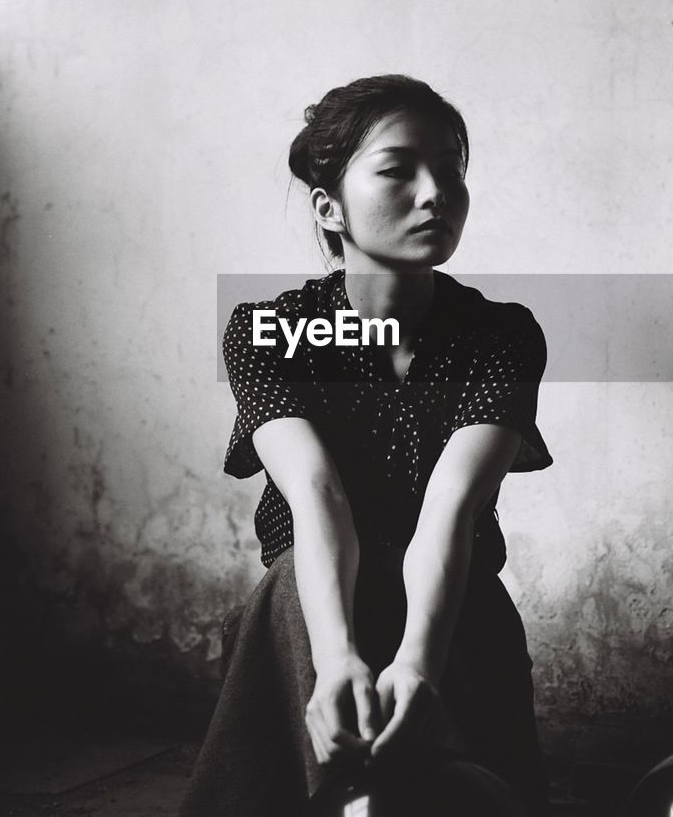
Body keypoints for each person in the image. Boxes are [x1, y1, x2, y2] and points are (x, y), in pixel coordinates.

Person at [178, 75, 553, 816]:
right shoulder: (265, 331)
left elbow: (450, 507)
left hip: (452, 604)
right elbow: (317, 497)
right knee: (298, 585)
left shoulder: (501, 335)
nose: (435, 191)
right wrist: (336, 657)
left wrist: (418, 664)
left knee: (464, 602)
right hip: (310, 600)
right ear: (330, 207)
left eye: (451, 169)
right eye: (398, 169)